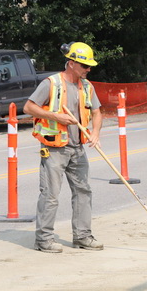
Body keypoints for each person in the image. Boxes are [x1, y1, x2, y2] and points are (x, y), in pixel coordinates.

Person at [24, 42, 104, 253]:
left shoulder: (87, 86)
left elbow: (97, 112)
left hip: (78, 148)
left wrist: (95, 133)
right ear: (71, 63)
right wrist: (55, 116)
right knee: (50, 194)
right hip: (54, 148)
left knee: (83, 191)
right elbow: (28, 107)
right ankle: (43, 240)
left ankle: (82, 237)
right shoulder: (51, 83)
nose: (88, 70)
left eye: (89, 66)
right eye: (84, 66)